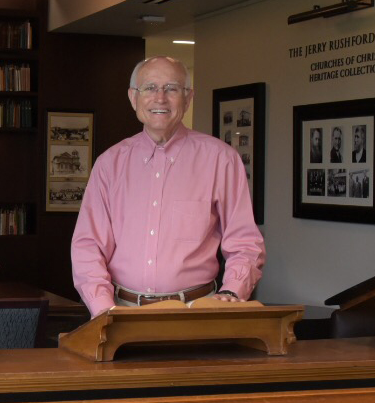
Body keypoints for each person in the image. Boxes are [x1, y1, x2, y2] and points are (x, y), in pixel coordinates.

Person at [71, 56, 265, 317]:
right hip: (120, 312)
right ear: (133, 97)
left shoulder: (221, 160)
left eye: (171, 88)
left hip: (196, 313)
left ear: (188, 98)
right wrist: (103, 310)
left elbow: (245, 243)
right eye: (149, 88)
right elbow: (88, 246)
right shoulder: (109, 164)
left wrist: (231, 293)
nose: (159, 98)